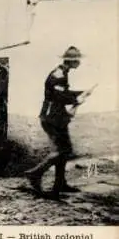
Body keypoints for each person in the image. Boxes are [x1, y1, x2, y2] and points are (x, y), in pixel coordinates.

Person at [25, 46, 87, 199]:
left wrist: (81, 93)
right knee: (62, 151)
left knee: (65, 150)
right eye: (77, 60)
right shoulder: (58, 75)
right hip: (51, 118)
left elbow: (62, 93)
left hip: (58, 117)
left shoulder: (63, 73)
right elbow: (60, 97)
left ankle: (59, 184)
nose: (79, 62)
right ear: (71, 61)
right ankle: (35, 173)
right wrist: (76, 99)